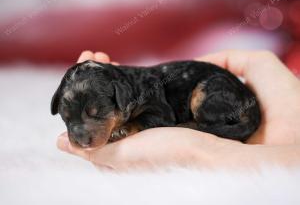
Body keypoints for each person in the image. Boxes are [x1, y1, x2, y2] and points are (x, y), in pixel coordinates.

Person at [57, 50, 300, 171]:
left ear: (122, 97)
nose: (80, 133)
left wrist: (129, 128)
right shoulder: (117, 92)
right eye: (69, 119)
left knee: (205, 97)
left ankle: (208, 125)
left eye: (96, 114)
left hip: (222, 96)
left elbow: (161, 117)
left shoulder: (142, 94)